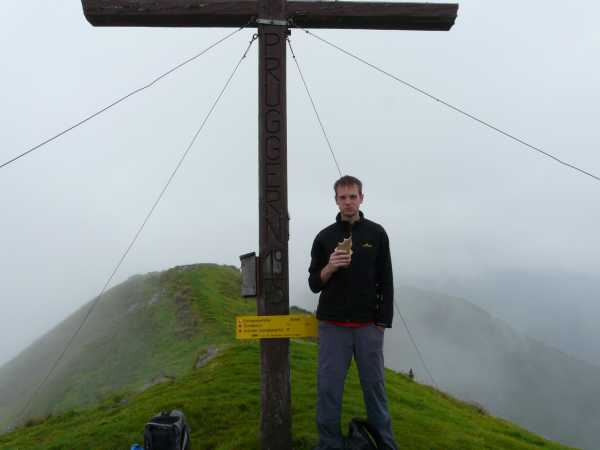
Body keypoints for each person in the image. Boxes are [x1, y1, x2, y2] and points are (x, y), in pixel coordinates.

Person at [308, 175, 397, 450]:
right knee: (328, 389)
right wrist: (330, 266)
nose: (348, 202)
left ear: (361, 198)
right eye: (342, 197)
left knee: (374, 389)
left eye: (353, 196)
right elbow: (313, 283)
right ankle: (329, 444)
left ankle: (385, 444)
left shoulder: (376, 233)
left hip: (368, 326)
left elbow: (386, 279)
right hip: (333, 327)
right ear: (336, 200)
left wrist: (382, 322)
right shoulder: (324, 237)